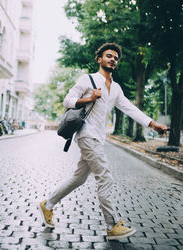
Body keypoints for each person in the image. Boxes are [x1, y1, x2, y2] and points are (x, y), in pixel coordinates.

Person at [38, 43, 167, 240]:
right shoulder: (87, 79)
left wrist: (152, 123)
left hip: (98, 138)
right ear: (100, 59)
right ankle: (112, 225)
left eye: (115, 57)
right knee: (105, 177)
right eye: (109, 56)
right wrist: (88, 98)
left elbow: (130, 108)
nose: (113, 59)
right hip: (86, 135)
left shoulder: (115, 88)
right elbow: (67, 100)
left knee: (79, 178)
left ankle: (48, 204)